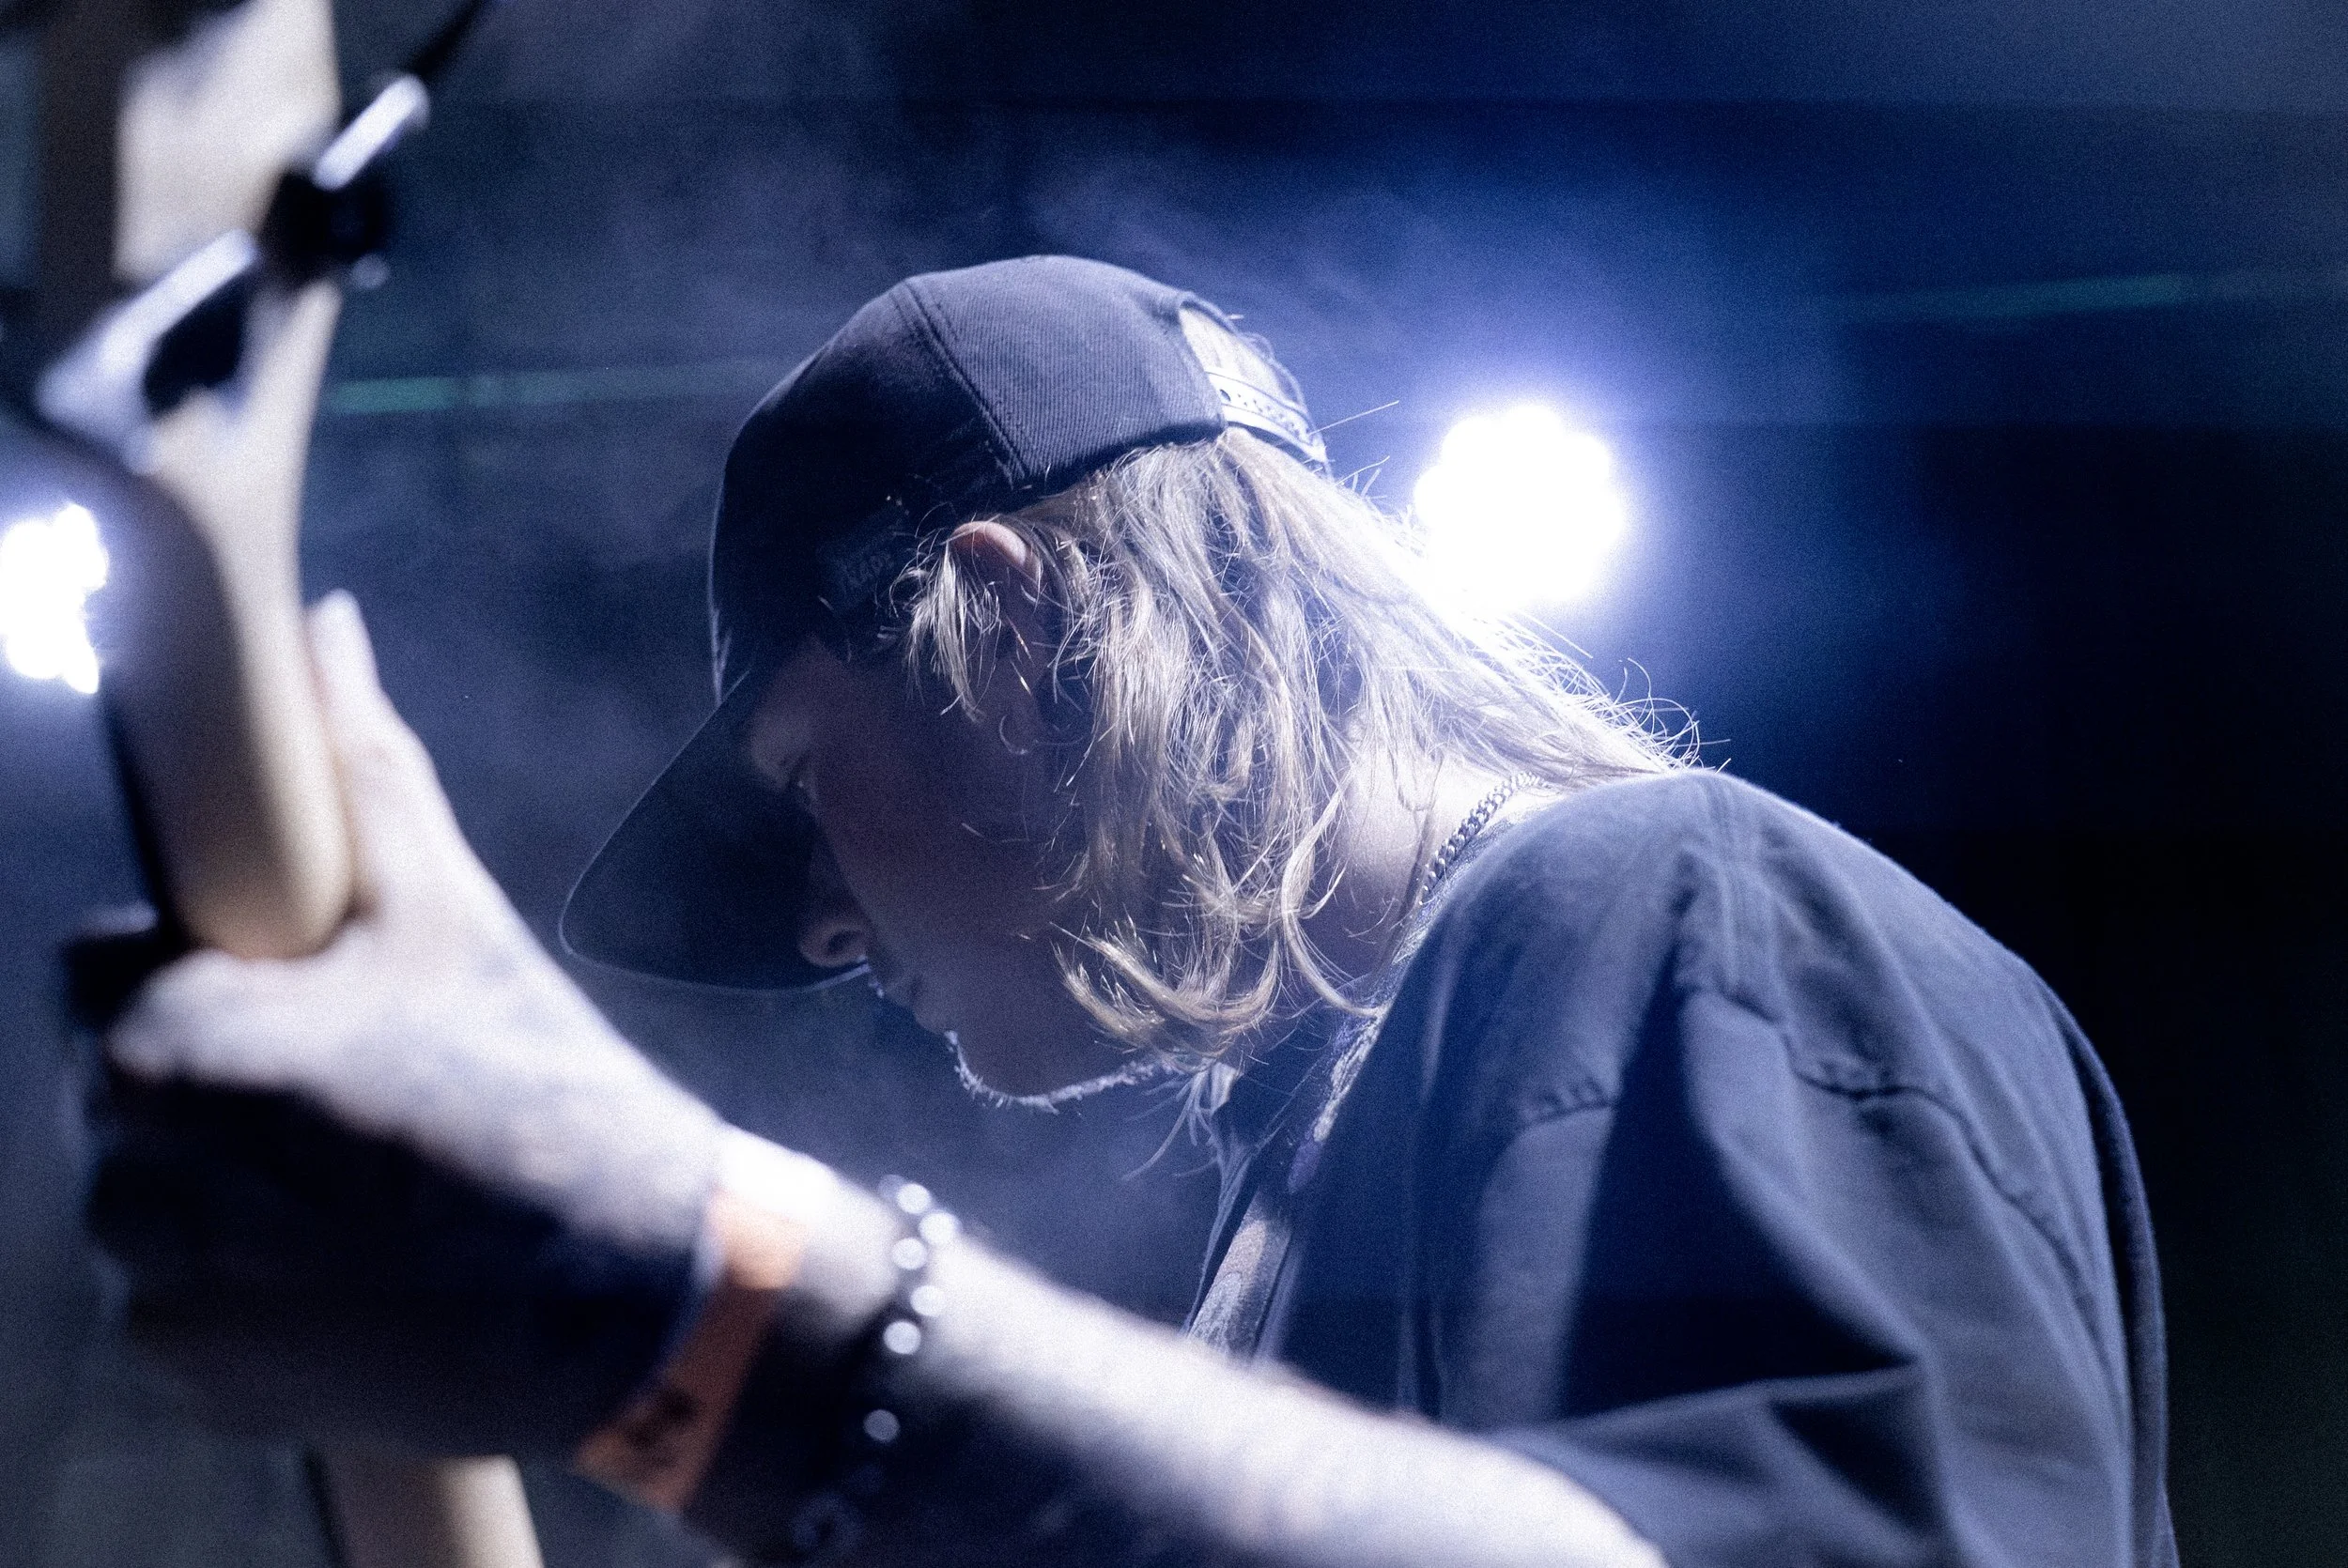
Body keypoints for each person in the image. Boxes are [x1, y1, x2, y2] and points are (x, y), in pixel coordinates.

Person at [86, 255, 2175, 1567]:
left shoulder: (1666, 899)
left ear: (1004, 620)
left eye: (807, 788)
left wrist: (705, 1293)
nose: (821, 933)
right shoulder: (1299, 1185)